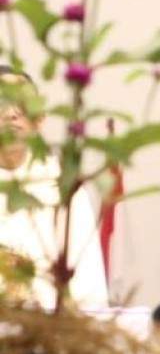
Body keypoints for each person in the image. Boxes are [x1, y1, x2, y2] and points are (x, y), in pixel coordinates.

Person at [0, 65, 107, 309]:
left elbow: (89, 283)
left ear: (40, 120)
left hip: (54, 332)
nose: (12, 113)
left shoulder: (64, 183)